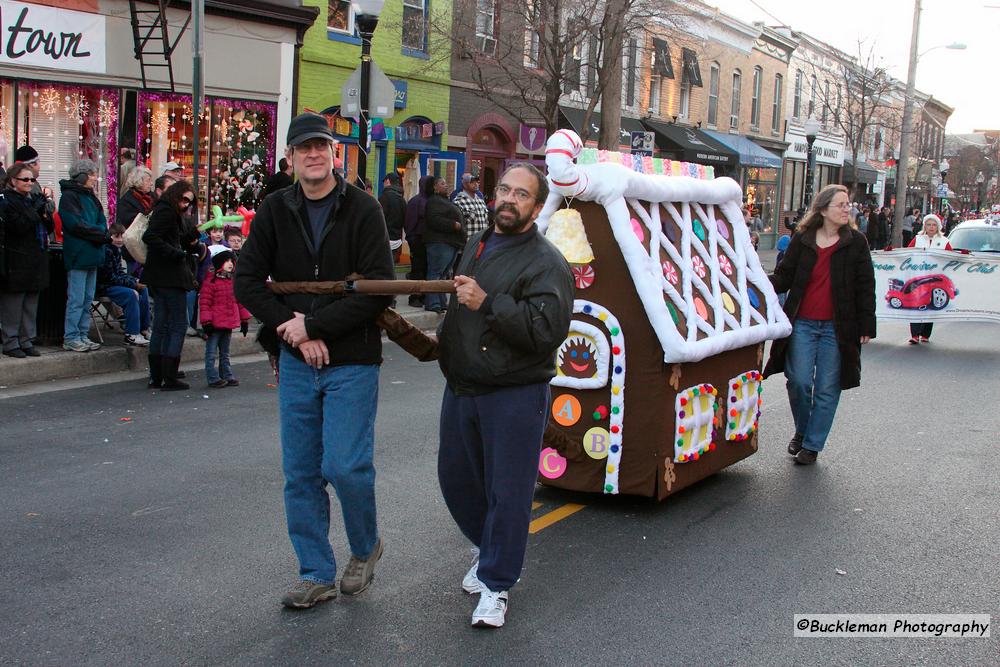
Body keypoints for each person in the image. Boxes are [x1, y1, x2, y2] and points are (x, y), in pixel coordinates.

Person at [234, 112, 394, 609]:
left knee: (345, 466)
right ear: (289, 159)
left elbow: (377, 291)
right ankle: (315, 571)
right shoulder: (275, 210)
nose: (313, 154)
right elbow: (246, 281)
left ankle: (365, 549)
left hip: (353, 360)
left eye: (321, 145)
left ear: (334, 153)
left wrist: (315, 326)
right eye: (303, 148)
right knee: (301, 472)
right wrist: (295, 330)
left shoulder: (364, 209)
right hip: (299, 361)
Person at [436, 163, 574, 628]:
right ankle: (487, 548)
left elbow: (546, 331)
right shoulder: (478, 244)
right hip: (463, 386)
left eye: (521, 195)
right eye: (505, 190)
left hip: (514, 392)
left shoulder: (547, 261)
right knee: (457, 478)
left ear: (536, 207)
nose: (509, 200)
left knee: (509, 492)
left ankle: (497, 584)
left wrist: (490, 302)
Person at [764, 184, 876, 465]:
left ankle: (812, 445)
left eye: (847, 204)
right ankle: (803, 431)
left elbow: (866, 286)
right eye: (841, 204)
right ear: (823, 209)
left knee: (827, 388)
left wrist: (866, 325)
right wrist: (755, 283)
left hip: (838, 329)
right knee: (799, 381)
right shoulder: (803, 239)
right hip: (802, 323)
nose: (847, 208)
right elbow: (784, 276)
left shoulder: (856, 242)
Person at [142, 180, 205, 390]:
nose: (186, 204)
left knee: (162, 323)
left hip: (161, 274)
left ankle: (157, 375)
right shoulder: (167, 211)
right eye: (185, 199)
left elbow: (172, 238)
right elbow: (150, 236)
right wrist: (176, 253)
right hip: (168, 275)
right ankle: (167, 376)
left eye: (190, 201)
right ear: (176, 194)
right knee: (176, 324)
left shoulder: (167, 211)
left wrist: (189, 239)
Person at [0, 162, 54, 358]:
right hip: (16, 258)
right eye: (25, 179)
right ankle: (10, 341)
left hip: (36, 257)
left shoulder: (32, 199)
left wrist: (45, 212)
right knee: (13, 304)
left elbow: (47, 228)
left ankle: (26, 340)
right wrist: (34, 211)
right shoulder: (6, 200)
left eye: (32, 179)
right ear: (13, 181)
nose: (30, 183)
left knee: (31, 303)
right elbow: (18, 226)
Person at [59, 159, 109, 353]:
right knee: (76, 298)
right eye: (91, 174)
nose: (94, 178)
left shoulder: (91, 196)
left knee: (87, 298)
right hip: (79, 254)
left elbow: (101, 220)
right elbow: (75, 224)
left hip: (92, 253)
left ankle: (82, 333)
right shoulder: (70, 197)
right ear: (81, 176)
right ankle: (71, 336)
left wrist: (100, 232)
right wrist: (100, 233)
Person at [200, 246, 249, 387]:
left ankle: (226, 374)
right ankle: (213, 377)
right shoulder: (210, 283)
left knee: (225, 353)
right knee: (211, 354)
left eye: (231, 261)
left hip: (227, 323)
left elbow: (239, 302)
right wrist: (206, 322)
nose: (230, 263)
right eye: (226, 260)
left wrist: (244, 319)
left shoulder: (233, 282)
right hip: (214, 325)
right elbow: (205, 303)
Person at [97, 223, 151, 346]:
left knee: (143, 290)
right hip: (104, 286)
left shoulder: (116, 250)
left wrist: (134, 281)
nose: (120, 240)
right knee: (132, 294)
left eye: (122, 236)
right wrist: (133, 284)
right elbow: (110, 277)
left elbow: (120, 272)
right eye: (117, 236)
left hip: (112, 283)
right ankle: (131, 334)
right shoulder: (107, 251)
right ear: (110, 236)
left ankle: (144, 329)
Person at [906, 214, 952, 345]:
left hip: (936, 279)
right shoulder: (918, 239)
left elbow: (951, 258)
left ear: (938, 226)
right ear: (924, 226)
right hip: (918, 277)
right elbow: (907, 254)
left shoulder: (944, 241)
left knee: (930, 304)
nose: (931, 227)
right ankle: (915, 334)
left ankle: (925, 333)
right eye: (929, 224)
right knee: (916, 304)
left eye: (934, 225)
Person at [423, 176, 465, 314]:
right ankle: (433, 303)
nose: (446, 185)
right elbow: (434, 220)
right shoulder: (434, 201)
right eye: (442, 183)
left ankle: (441, 302)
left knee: (443, 275)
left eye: (446, 183)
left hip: (451, 242)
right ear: (434, 187)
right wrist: (454, 224)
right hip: (440, 243)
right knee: (435, 273)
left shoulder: (445, 201)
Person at [403, 175, 431, 307]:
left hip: (429, 241)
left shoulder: (431, 200)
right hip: (418, 241)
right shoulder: (415, 201)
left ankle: (424, 295)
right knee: (417, 270)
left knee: (426, 270)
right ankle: (415, 297)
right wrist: (412, 239)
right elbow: (410, 222)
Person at [14, 145, 56, 216]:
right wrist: (49, 197)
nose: (39, 166)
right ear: (31, 165)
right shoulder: (29, 183)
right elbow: (45, 209)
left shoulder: (16, 180)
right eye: (38, 162)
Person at [453, 173, 490, 244]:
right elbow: (458, 225)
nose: (476, 184)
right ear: (465, 185)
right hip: (468, 244)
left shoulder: (481, 201)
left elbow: (486, 222)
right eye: (472, 182)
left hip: (482, 244)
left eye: (477, 182)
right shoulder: (458, 201)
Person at [378, 172, 406, 264]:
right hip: (397, 240)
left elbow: (379, 219)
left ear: (388, 181)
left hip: (384, 240)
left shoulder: (384, 197)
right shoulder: (402, 199)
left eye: (384, 182)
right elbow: (405, 220)